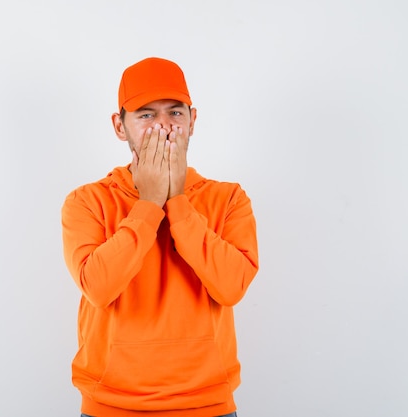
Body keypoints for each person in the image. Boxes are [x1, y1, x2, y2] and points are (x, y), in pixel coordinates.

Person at [61, 57, 259, 417]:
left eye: (175, 113)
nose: (163, 126)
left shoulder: (228, 199)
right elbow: (99, 287)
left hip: (208, 406)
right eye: (146, 115)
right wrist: (150, 202)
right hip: (111, 406)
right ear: (120, 127)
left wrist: (178, 201)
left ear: (192, 120)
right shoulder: (87, 201)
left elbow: (231, 288)